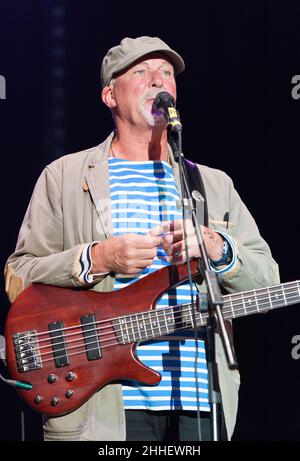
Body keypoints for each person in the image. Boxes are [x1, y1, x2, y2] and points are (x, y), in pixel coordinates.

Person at [4, 36, 279, 442]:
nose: (158, 80)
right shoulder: (64, 177)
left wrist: (218, 248)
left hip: (200, 403)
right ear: (109, 95)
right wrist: (99, 258)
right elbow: (18, 276)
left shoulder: (212, 185)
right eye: (141, 72)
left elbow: (267, 279)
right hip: (103, 402)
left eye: (167, 73)